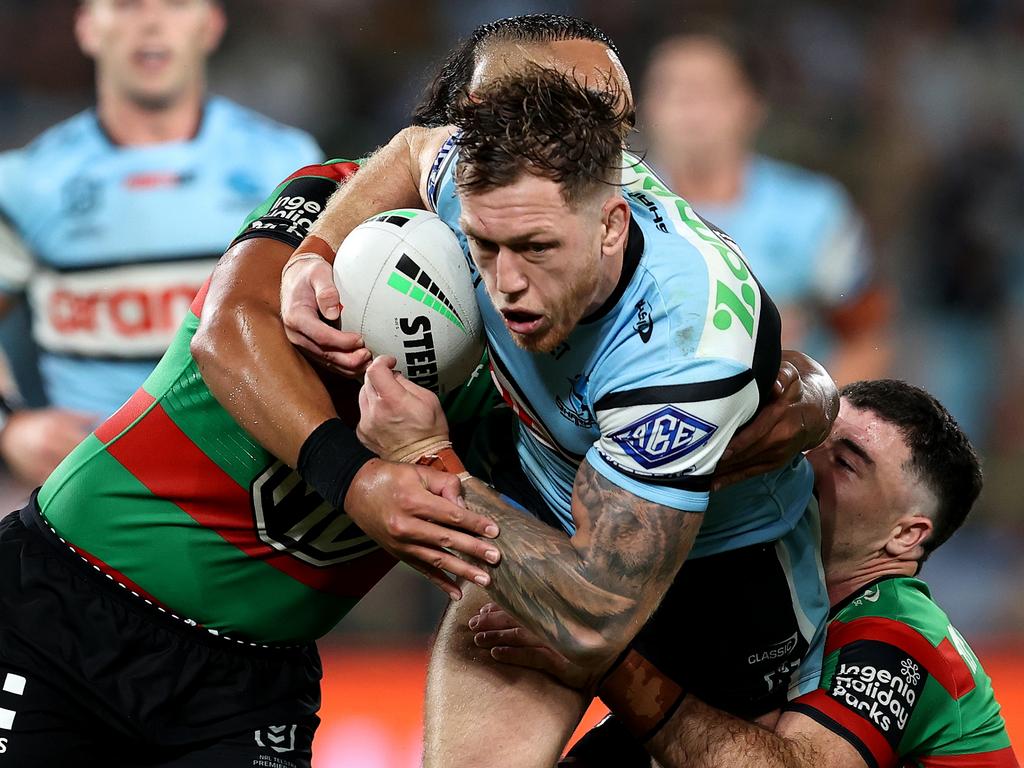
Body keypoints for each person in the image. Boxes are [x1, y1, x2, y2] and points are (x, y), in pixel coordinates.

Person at [0, 15, 819, 767]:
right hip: (69, 599)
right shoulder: (351, 198)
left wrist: (805, 400)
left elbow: (722, 371)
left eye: (609, 121)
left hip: (251, 679)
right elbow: (228, 331)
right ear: (465, 120)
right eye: (548, 105)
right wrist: (356, 474)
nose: (584, 138)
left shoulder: (569, 321)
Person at [335, 63, 833, 766]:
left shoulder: (685, 349)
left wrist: (426, 455)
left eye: (537, 249)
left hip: (719, 572)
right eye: (484, 248)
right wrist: (316, 255)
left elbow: (592, 616)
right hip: (542, 501)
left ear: (610, 225)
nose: (504, 285)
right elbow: (418, 148)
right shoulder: (487, 188)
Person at [473, 380, 1019, 768]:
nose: (804, 459)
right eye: (817, 438)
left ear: (905, 535)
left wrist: (606, 660)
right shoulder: (768, 594)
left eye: (846, 462)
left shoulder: (899, 634)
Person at [0, 0, 322, 486]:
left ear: (211, 25)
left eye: (175, 3)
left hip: (251, 486)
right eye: (127, 5)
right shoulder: (25, 183)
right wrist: (11, 428)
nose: (152, 22)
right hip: (92, 492)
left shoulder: (289, 163)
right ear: (87, 28)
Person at [641, 24, 890, 385]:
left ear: (751, 104)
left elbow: (868, 339)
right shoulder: (618, 213)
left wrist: (815, 426)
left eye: (706, 90)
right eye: (670, 89)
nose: (688, 106)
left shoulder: (813, 211)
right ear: (644, 107)